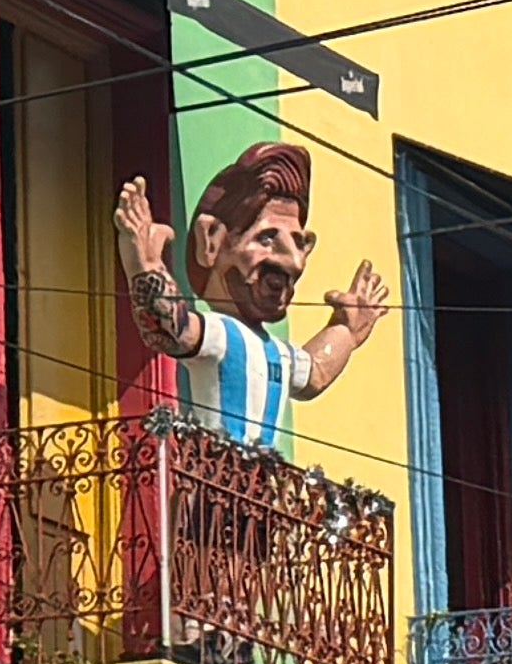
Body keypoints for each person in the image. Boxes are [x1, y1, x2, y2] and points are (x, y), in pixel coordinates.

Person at [112, 140, 387, 453]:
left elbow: (315, 373)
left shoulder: (280, 354)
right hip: (216, 477)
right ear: (211, 241)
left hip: (260, 487)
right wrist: (145, 262)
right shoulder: (220, 334)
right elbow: (169, 329)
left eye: (298, 243)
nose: (293, 261)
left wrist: (346, 331)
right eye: (267, 238)